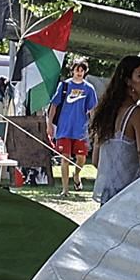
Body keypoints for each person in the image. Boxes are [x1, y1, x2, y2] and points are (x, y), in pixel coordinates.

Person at [89, 54, 140, 204]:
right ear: (128, 81)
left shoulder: (105, 112)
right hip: (131, 197)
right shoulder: (138, 114)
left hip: (108, 195)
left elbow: (96, 161)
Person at [47, 60, 96, 194]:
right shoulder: (64, 86)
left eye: (82, 70)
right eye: (77, 70)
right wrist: (49, 124)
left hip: (81, 130)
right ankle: (65, 189)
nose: (79, 72)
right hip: (64, 128)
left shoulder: (89, 89)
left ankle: (76, 174)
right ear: (72, 70)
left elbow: (92, 109)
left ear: (85, 71)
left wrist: (94, 126)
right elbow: (54, 105)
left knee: (81, 158)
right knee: (65, 157)